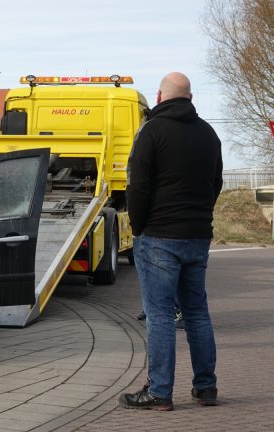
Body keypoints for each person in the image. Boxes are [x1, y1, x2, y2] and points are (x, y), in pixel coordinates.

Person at [120, 72, 223, 411]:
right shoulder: (209, 134)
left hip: (159, 236)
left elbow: (137, 185)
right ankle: (206, 388)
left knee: (160, 314)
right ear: (190, 99)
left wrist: (138, 227)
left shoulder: (150, 131)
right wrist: (199, 216)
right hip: (197, 235)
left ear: (159, 97)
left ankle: (161, 392)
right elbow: (216, 182)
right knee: (197, 312)